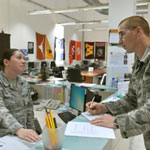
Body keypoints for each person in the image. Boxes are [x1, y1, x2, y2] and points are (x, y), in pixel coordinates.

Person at [86, 16, 150, 150]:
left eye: (122, 34)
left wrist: (117, 122)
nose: (120, 41)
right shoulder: (139, 63)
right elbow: (132, 100)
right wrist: (105, 107)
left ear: (138, 31)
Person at [0, 49, 41, 142]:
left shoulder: (24, 83)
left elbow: (29, 111)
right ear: (6, 62)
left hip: (22, 136)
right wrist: (18, 129)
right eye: (19, 58)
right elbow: (1, 111)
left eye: (24, 58)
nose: (23, 61)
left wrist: (32, 134)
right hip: (4, 137)